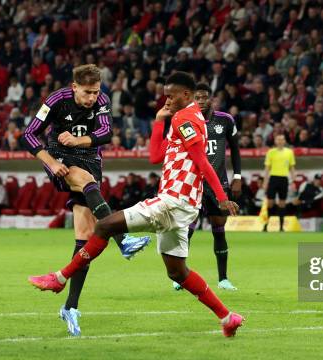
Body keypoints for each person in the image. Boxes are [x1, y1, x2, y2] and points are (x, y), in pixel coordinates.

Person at [28, 72, 244, 337]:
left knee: (105, 226)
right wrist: (158, 122)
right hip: (184, 206)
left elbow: (201, 160)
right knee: (178, 272)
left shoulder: (186, 117)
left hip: (173, 202)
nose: (166, 100)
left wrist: (222, 197)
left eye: (171, 96)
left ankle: (60, 279)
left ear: (186, 96)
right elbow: (155, 155)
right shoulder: (179, 118)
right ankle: (227, 317)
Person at [21, 64, 150, 336]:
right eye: (87, 92)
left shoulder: (101, 101)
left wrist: (78, 140)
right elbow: (29, 134)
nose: (92, 98)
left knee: (85, 236)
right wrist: (50, 162)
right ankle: (122, 240)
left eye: (96, 92)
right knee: (87, 183)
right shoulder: (56, 100)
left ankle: (70, 307)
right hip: (59, 158)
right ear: (74, 87)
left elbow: (105, 133)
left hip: (89, 157)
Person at [175, 83, 242, 291]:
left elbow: (236, 150)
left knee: (219, 230)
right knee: (187, 230)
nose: (201, 101)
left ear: (211, 98)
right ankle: (179, 276)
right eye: (198, 98)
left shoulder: (225, 120)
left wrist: (237, 176)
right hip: (193, 181)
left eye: (205, 97)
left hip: (218, 183)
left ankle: (223, 279)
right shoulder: (186, 119)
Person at [262, 134, 296, 232]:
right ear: (275, 141)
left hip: (284, 179)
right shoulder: (271, 152)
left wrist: (294, 179)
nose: (280, 141)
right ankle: (266, 225)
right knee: (270, 203)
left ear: (284, 141)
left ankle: (281, 227)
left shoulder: (289, 152)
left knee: (282, 203)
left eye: (282, 139)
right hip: (273, 179)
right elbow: (267, 168)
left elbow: (292, 167)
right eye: (278, 139)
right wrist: (265, 181)